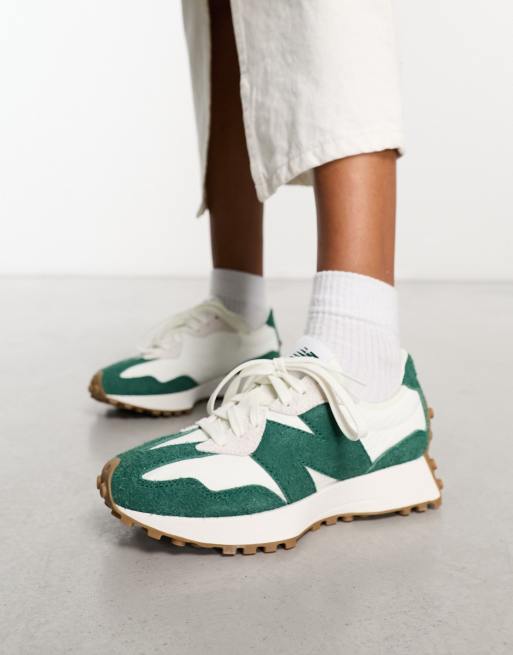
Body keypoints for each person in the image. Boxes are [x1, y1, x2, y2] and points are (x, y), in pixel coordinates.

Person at [94, 0, 442, 554]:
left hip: (359, 396)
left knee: (324, 11)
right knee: (225, 13)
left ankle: (360, 366)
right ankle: (240, 311)